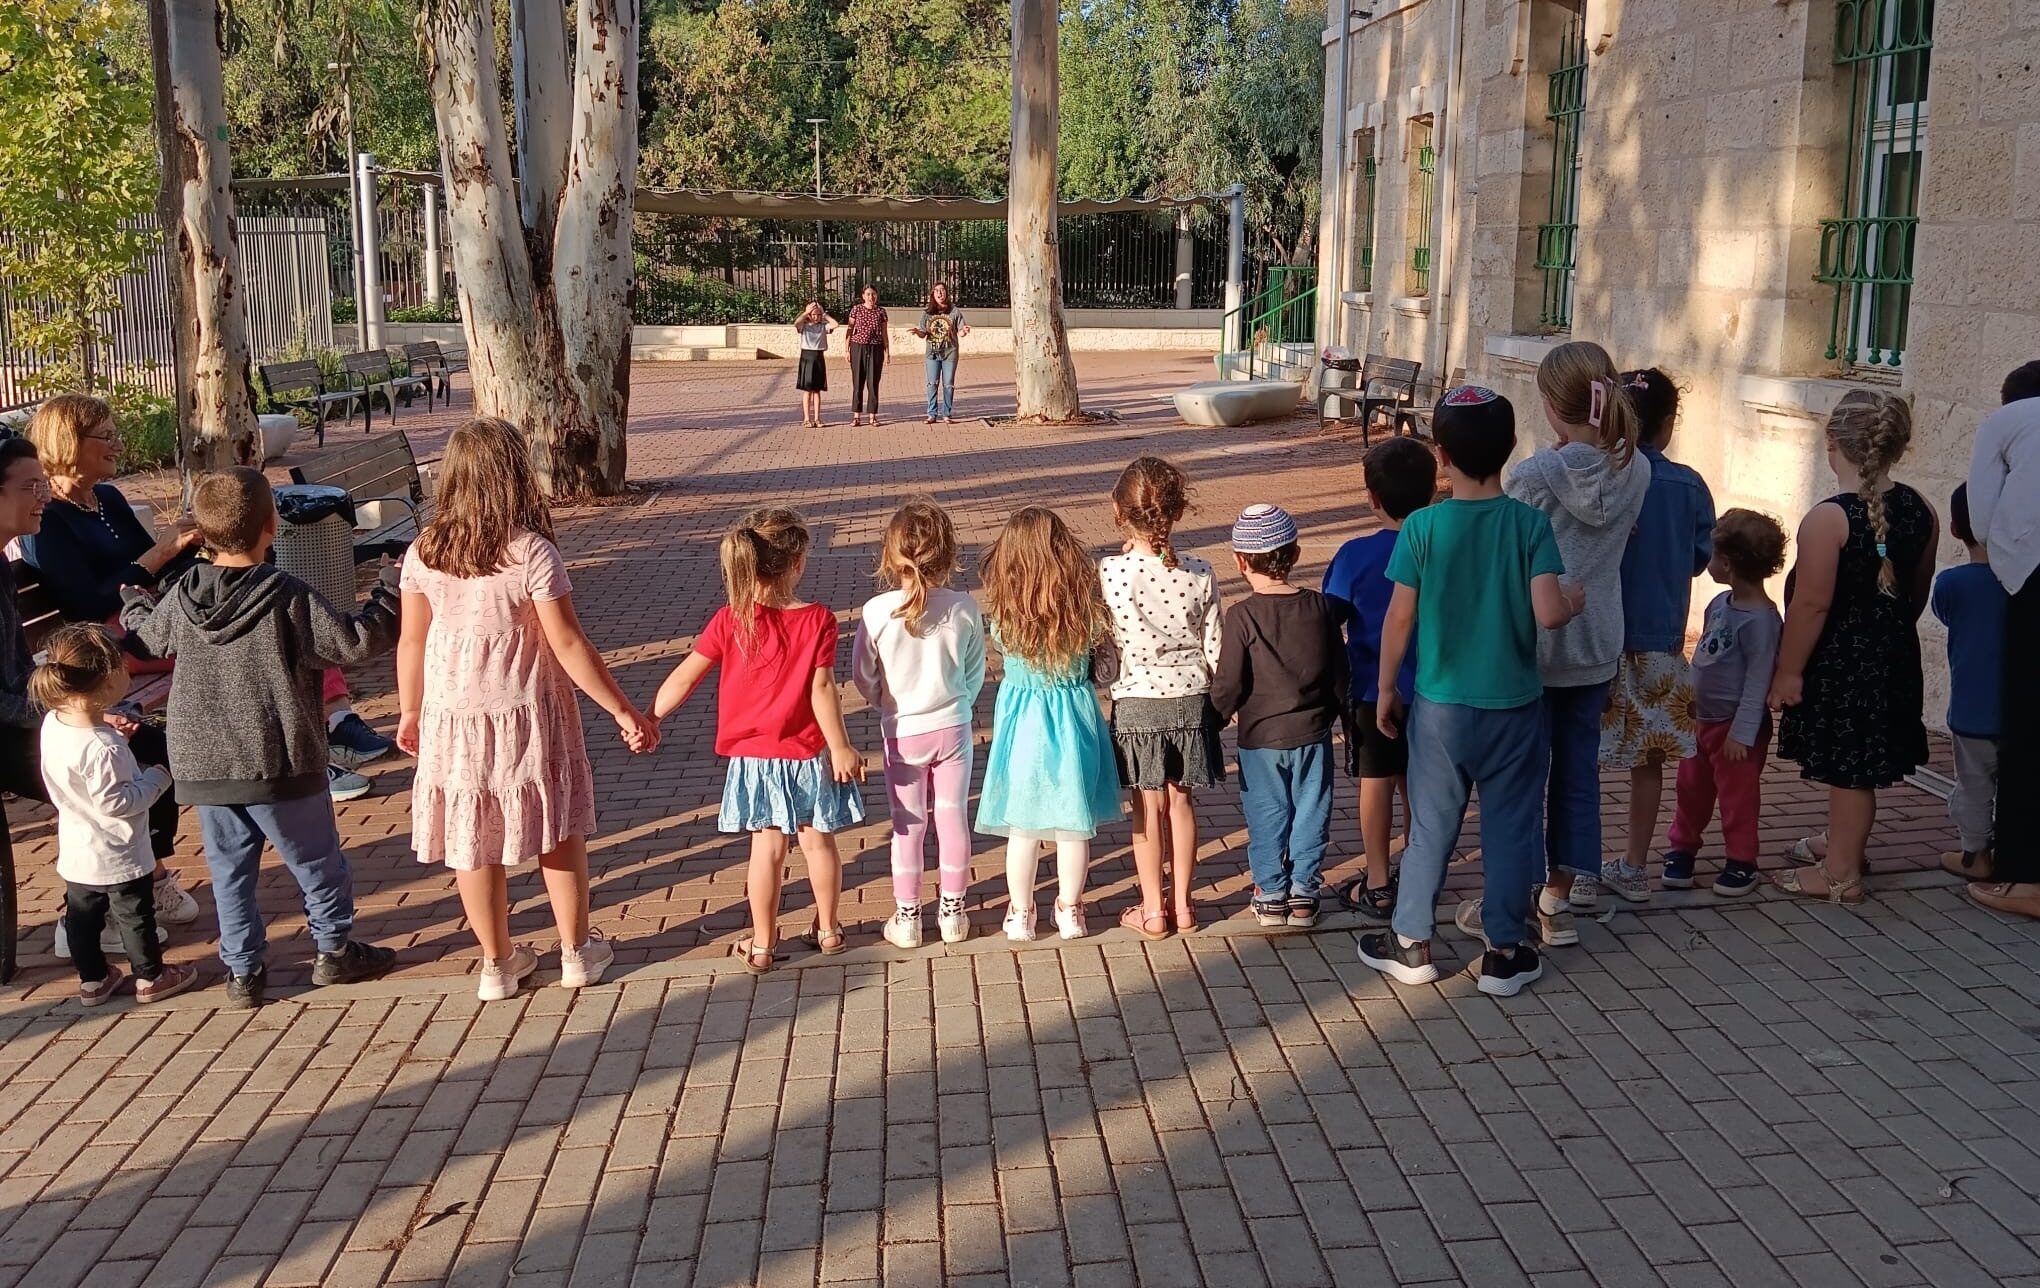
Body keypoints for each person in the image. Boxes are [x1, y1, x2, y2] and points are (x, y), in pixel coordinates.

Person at [396, 418, 658, 1001]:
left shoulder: (424, 551)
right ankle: (577, 950)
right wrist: (621, 709)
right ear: (514, 477)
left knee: (473, 839)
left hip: (453, 716)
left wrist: (409, 710)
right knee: (556, 830)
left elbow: (411, 639)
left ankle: (497, 962)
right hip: (526, 710)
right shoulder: (531, 553)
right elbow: (567, 643)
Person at [120, 467, 402, 1007]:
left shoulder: (182, 595)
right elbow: (353, 642)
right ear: (272, 526)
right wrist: (387, 593)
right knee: (317, 862)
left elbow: (148, 631)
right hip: (280, 756)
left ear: (201, 534)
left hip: (205, 764)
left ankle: (243, 971)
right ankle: (334, 949)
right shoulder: (285, 593)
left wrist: (135, 599)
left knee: (229, 873)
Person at [22, 393, 393, 797]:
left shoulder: (107, 499)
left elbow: (152, 568)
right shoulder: (50, 518)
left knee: (279, 620)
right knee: (257, 644)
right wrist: (161, 551)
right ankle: (308, 759)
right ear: (71, 441)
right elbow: (87, 604)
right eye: (107, 436)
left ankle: (333, 725)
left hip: (155, 616)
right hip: (117, 639)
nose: (118, 445)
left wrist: (196, 549)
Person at [1357, 387, 1582, 997]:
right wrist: (1573, 600)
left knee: (1432, 826)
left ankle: (1410, 943)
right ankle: (1505, 951)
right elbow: (1550, 615)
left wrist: (1384, 689)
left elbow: (1398, 619)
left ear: (1440, 455)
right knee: (1512, 826)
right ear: (1511, 448)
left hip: (1440, 706)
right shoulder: (1529, 525)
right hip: (1515, 705)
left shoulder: (1424, 527)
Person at [0, 437, 201, 961]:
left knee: (154, 742)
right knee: (133, 760)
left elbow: (19, 674)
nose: (42, 495)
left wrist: (80, 708)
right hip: (11, 734)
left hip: (34, 716)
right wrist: (73, 712)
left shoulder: (0, 563)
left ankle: (140, 881)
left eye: (42, 484)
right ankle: (89, 917)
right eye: (29, 487)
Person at [651, 508, 866, 973]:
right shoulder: (819, 620)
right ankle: (829, 929)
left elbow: (685, 677)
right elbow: (823, 689)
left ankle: (763, 943)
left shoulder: (730, 619)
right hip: (807, 751)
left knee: (765, 851)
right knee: (819, 843)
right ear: (797, 563)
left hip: (752, 758)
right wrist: (842, 745)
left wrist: (649, 717)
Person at [1505, 340, 1650, 940]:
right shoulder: (1637, 469)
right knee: (1577, 772)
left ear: (1549, 404)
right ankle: (1559, 897)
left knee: (1520, 775)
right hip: (1596, 640)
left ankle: (1512, 897)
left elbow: (1507, 550)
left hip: (1534, 642)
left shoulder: (1533, 475)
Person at [1768, 391, 1934, 904]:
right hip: (1891, 657)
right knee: (1855, 764)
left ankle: (1840, 872)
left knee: (1849, 768)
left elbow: (1810, 606)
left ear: (1831, 443)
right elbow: (1918, 587)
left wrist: (1789, 671)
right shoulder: (1920, 508)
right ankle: (1842, 840)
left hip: (1842, 661)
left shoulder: (1828, 519)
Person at [1579, 367, 1714, 907]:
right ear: (1669, 422)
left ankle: (1578, 867)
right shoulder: (1687, 484)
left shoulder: (1596, 476)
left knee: (1580, 756)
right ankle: (1634, 865)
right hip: (1659, 636)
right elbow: (1701, 556)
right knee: (1650, 759)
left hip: (1597, 635)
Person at [974, 507, 1122, 941]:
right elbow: (1104, 654)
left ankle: (1021, 913)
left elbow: (1001, 645)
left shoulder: (1007, 615)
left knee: (1023, 827)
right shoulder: (1083, 611)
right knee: (1072, 825)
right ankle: (1070, 910)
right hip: (1074, 717)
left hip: (1023, 722)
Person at [31, 624, 199, 1005]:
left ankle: (93, 980)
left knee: (81, 919)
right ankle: (151, 977)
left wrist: (105, 725)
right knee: (135, 916)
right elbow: (118, 802)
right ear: (107, 681)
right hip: (120, 852)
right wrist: (157, 778)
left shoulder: (53, 725)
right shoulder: (105, 748)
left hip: (77, 850)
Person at [1100, 456, 1223, 939]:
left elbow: (1105, 650)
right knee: (1182, 803)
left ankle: (1153, 909)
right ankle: (1186, 905)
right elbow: (1214, 647)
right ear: (1176, 511)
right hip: (1191, 696)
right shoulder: (1200, 570)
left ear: (1119, 511)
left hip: (1136, 698)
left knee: (1146, 807)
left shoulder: (1110, 572)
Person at [853, 499, 985, 950]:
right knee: (952, 818)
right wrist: (958, 700)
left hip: (902, 730)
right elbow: (974, 672)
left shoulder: (876, 613)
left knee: (906, 824)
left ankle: (907, 915)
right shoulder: (965, 607)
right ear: (948, 554)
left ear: (890, 556)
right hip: (953, 725)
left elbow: (863, 676)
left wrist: (885, 703)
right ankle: (953, 911)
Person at [1211, 505, 1347, 929]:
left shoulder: (1242, 615)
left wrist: (1213, 719)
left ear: (1240, 560)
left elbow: (1229, 682)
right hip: (1313, 731)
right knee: (1312, 809)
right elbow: (1340, 672)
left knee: (1268, 812)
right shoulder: (1322, 609)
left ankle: (1270, 892)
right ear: (1296, 554)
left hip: (1260, 737)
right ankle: (1304, 891)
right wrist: (1348, 718)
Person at [1321, 437, 1435, 919]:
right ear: (1432, 491)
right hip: (1435, 689)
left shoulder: (1355, 554)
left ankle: (1378, 880)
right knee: (1422, 786)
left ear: (1372, 496)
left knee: (1375, 781)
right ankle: (1420, 873)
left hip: (1372, 688)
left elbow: (1330, 615)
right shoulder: (1441, 544)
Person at [1665, 510, 1786, 898]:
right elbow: (1704, 655)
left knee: (1738, 798)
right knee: (1690, 790)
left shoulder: (1762, 622)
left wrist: (1742, 733)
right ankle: (1682, 849)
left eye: (1714, 556)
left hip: (1734, 730)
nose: (1709, 562)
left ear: (1728, 564)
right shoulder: (1720, 602)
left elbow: (1757, 682)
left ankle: (1741, 862)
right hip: (1700, 722)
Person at [1965, 364, 2040, 917]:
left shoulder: (2008, 420)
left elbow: (1982, 514)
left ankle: (2024, 876)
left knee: (2030, 727)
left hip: (2033, 578)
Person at [1930, 484, 2005, 883]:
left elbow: (1945, 615)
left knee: (1974, 784)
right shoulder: (2022, 584)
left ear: (1956, 529)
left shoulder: (1952, 584)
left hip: (1971, 709)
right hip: (2021, 708)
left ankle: (1976, 854)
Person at [911, 282, 971, 424]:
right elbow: (923, 333)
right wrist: (918, 332)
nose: (940, 293)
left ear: (946, 293)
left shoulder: (954, 311)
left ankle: (947, 414)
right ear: (933, 294)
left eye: (942, 290)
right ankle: (932, 414)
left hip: (950, 352)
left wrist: (965, 331)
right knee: (932, 383)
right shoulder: (927, 313)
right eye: (936, 290)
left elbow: (960, 331)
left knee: (948, 384)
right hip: (932, 353)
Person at [845, 285, 890, 427]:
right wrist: (846, 349)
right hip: (858, 347)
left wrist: (887, 351)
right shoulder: (856, 310)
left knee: (873, 382)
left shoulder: (881, 312)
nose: (871, 297)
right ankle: (856, 416)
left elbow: (884, 333)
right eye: (868, 294)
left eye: (874, 294)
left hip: (875, 348)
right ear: (863, 296)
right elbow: (850, 329)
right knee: (858, 382)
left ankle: (872, 416)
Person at [793, 301, 839, 429]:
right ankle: (807, 418)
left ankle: (818, 418)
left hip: (818, 357)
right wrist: (806, 312)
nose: (816, 317)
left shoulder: (823, 327)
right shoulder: (804, 326)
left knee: (817, 391)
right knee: (808, 390)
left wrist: (824, 314)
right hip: (807, 357)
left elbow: (835, 324)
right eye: (814, 314)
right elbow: (796, 323)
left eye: (818, 314)